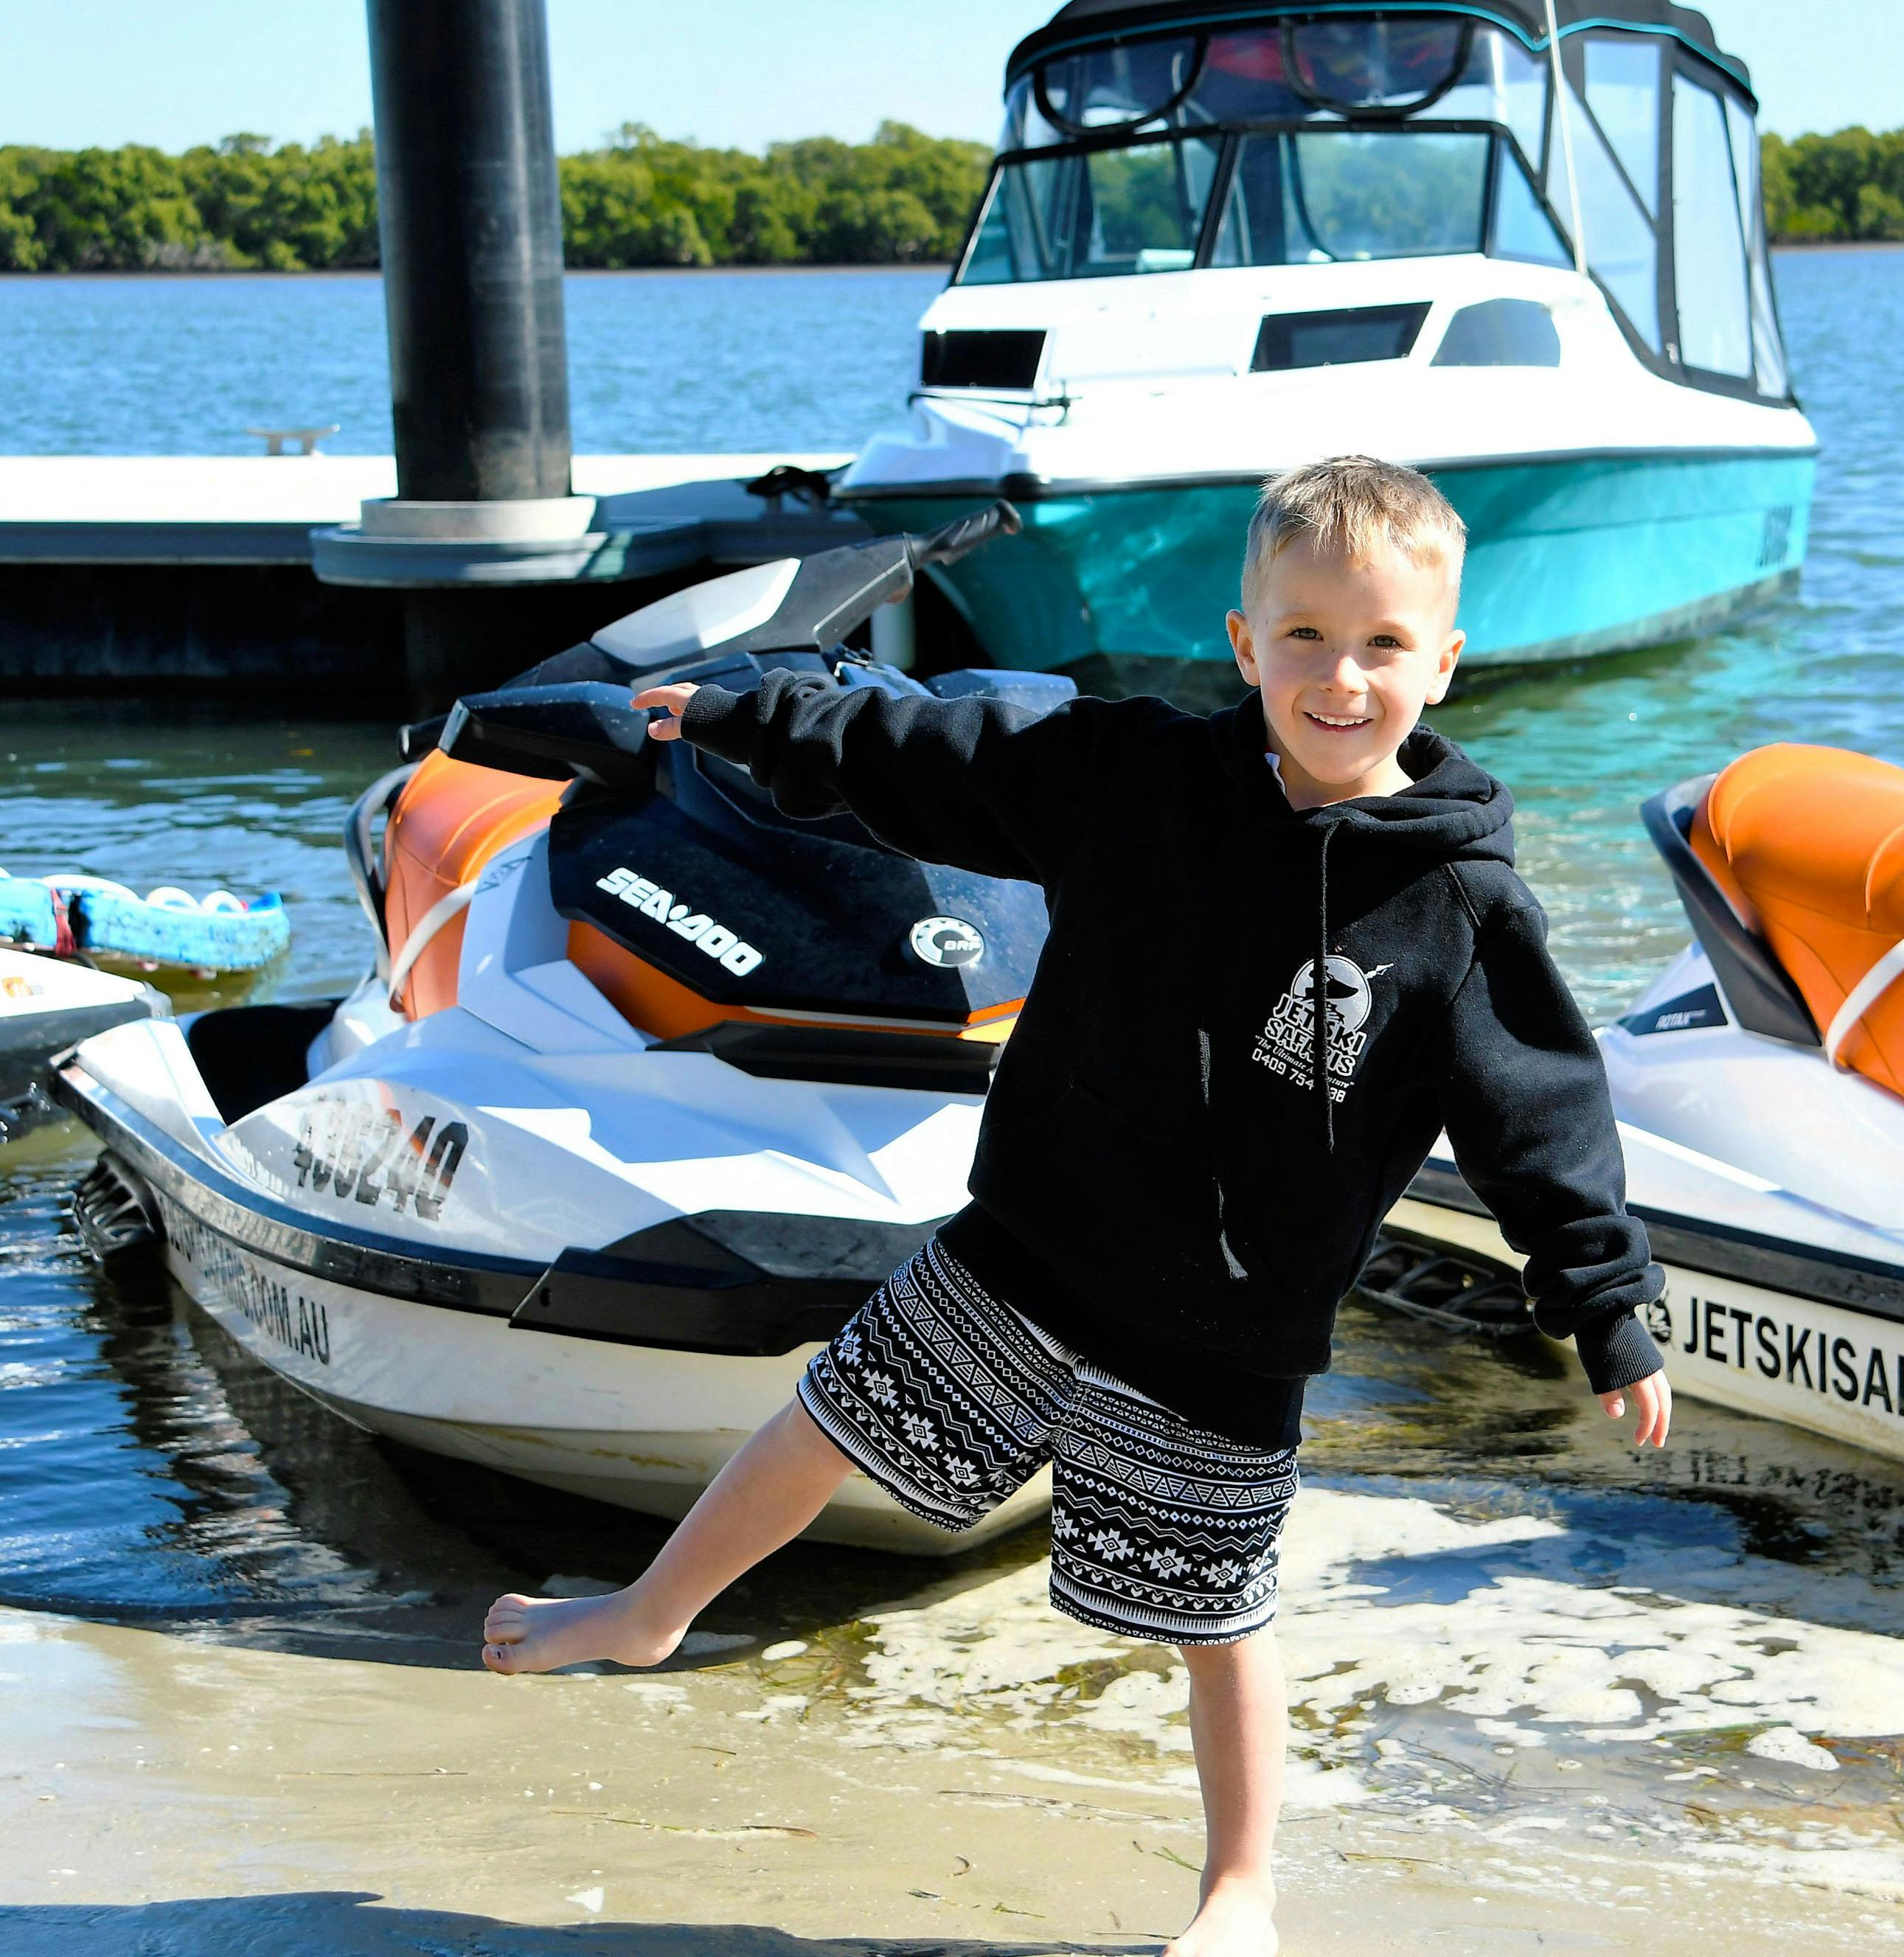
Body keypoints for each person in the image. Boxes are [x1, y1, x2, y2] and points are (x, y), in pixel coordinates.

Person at [479, 455, 1672, 1957]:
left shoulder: (1460, 908)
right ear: (1243, 646)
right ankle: (652, 1608)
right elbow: (926, 748)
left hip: (1228, 1318)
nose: (1339, 676)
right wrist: (727, 712)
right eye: (1301, 635)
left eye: (1379, 644)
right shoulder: (1137, 779)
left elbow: (1542, 1117)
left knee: (1218, 1611)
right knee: (829, 1417)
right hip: (1037, 1235)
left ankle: (1240, 1888)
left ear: (1441, 662)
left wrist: (1604, 1304)